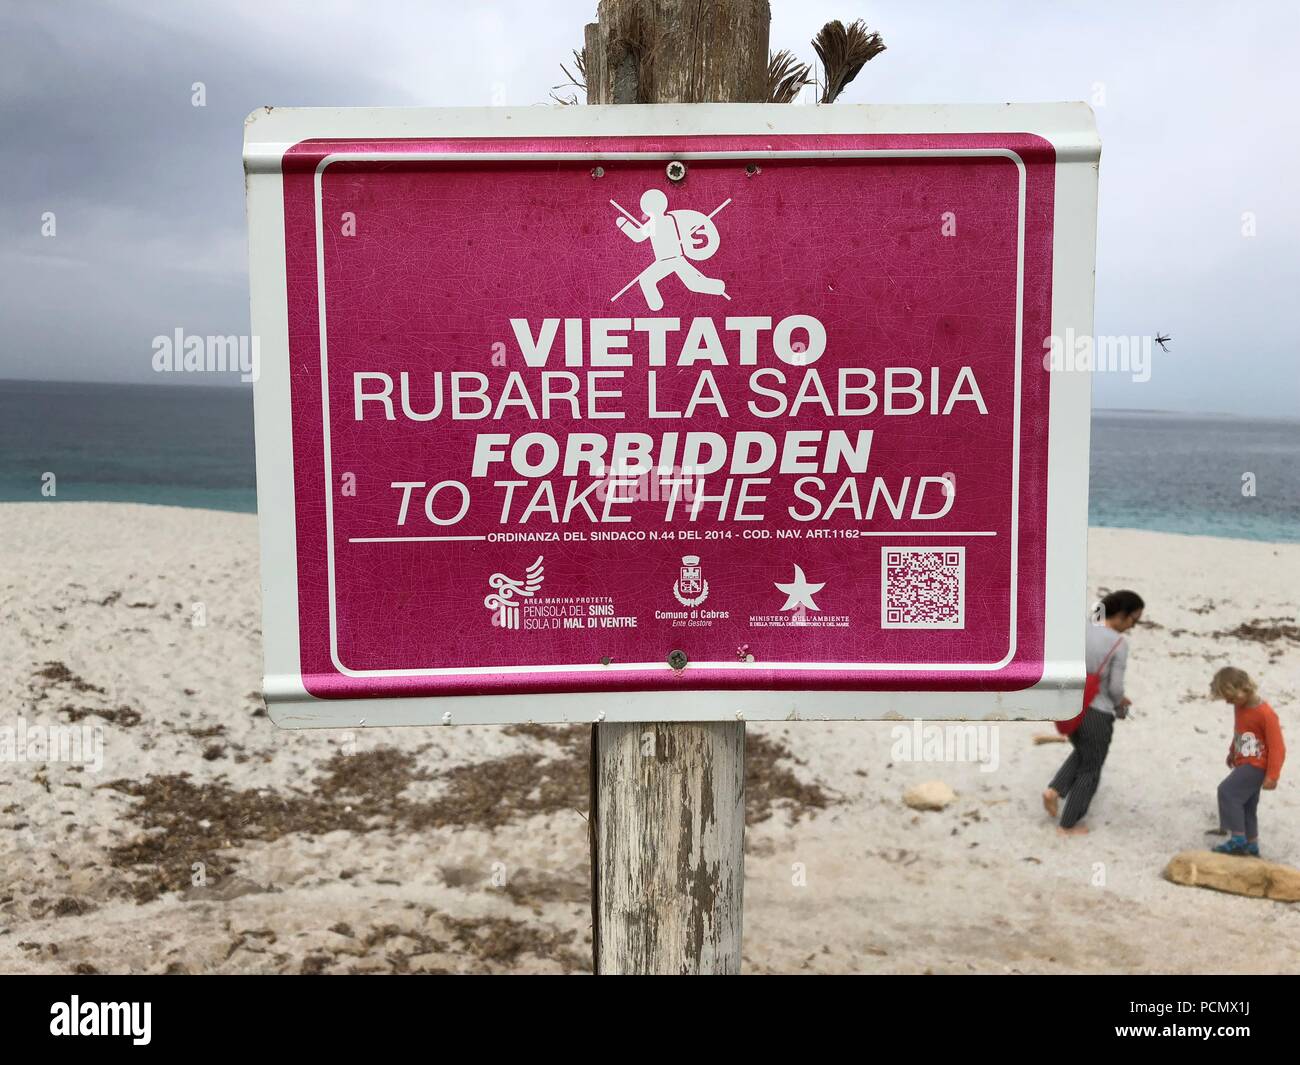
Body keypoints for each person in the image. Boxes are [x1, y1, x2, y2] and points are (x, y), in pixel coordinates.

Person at [1043, 590, 1145, 834]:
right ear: (1121, 615)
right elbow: (1115, 687)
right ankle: (1068, 825)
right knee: (1091, 768)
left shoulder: (1083, 629)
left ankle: (1054, 790)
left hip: (1070, 705)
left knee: (1083, 751)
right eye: (1134, 619)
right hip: (1097, 712)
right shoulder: (1118, 644)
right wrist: (1121, 702)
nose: (1133, 626)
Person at [1210, 667, 1285, 857]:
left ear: (1244, 689)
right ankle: (1252, 843)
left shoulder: (1266, 714)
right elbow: (1241, 731)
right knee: (1247, 805)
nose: (1228, 702)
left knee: (1227, 792)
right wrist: (1233, 751)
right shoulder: (1240, 706)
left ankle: (1238, 839)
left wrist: (1273, 775)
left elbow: (1278, 747)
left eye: (1231, 697)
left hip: (1257, 765)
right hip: (1245, 762)